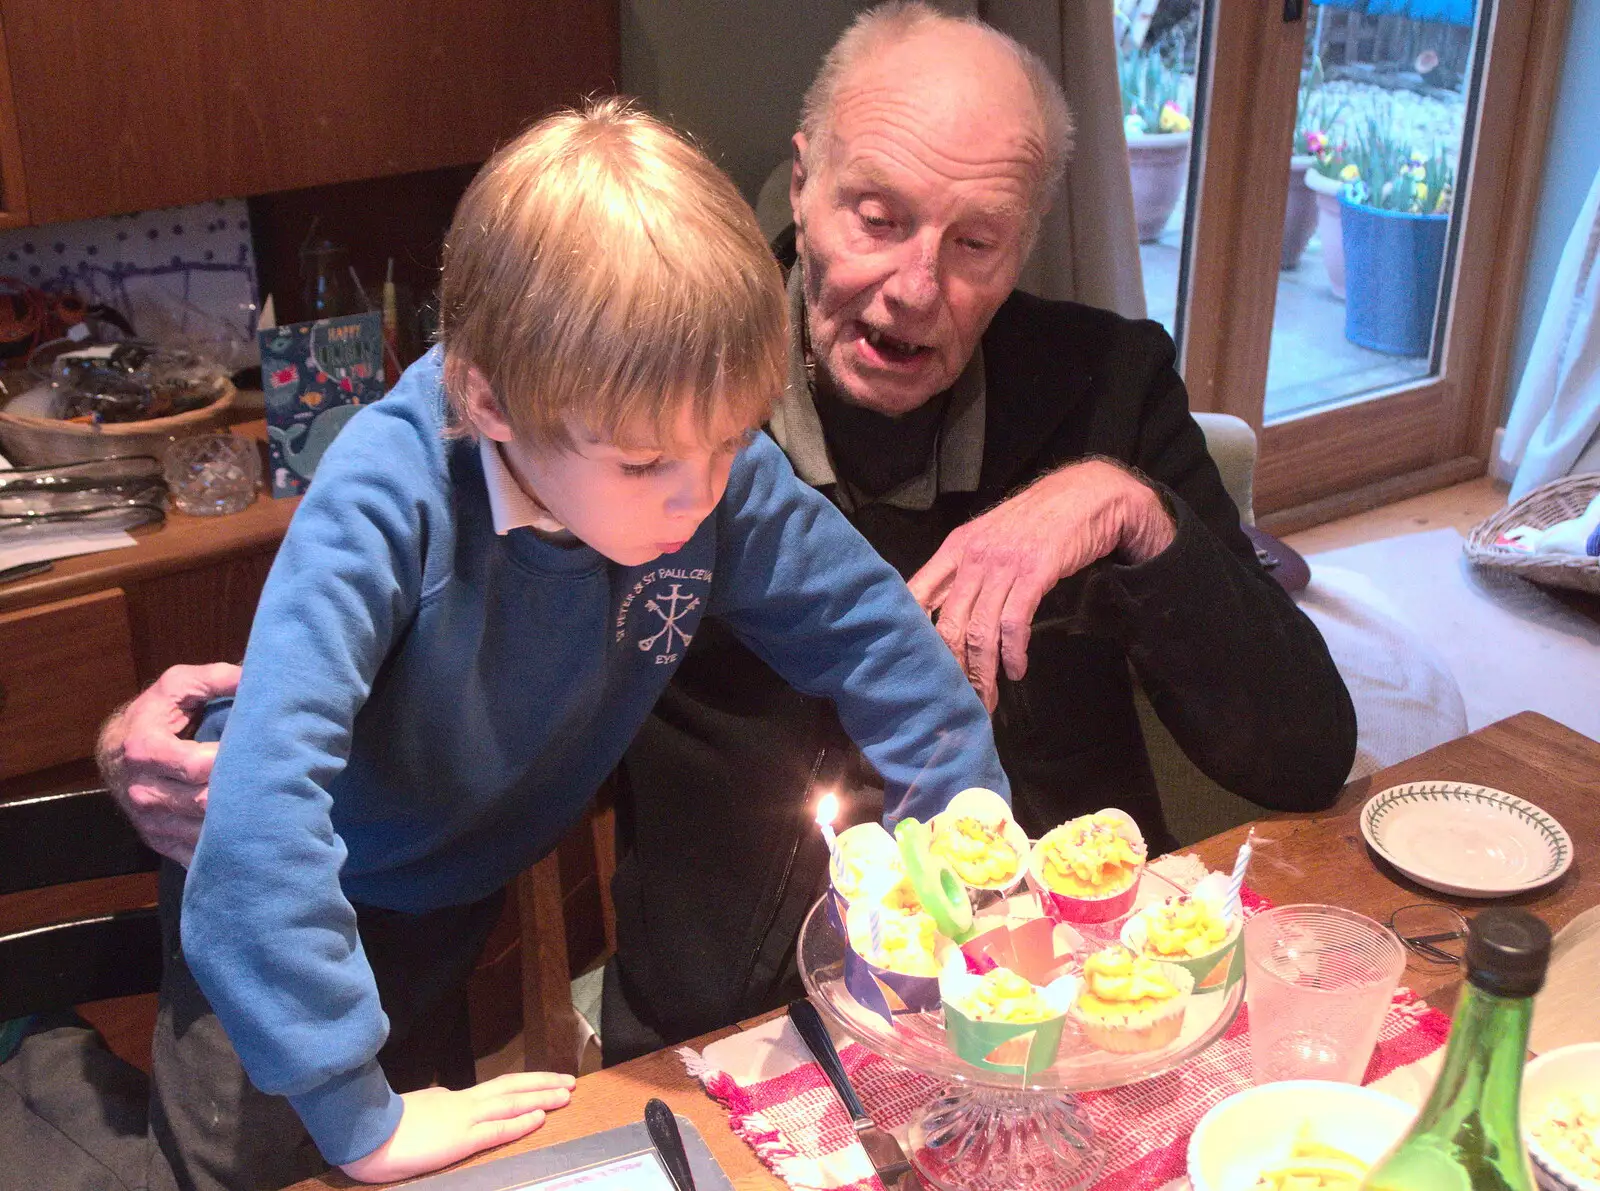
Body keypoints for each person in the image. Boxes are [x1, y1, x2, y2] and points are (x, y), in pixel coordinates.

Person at [101, 2, 1354, 1073]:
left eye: (976, 243)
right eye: (876, 214)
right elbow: (435, 649)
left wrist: (1136, 511)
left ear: (1026, 242)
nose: (918, 286)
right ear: (799, 179)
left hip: (1035, 977)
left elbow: (1304, 751)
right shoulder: (628, 361)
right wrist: (211, 736)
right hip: (729, 1018)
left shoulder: (1106, 388)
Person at [88, 97, 1008, 1191]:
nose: (697, 498)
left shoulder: (700, 467)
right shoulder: (384, 495)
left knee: (422, 1141)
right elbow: (260, 817)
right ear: (490, 401)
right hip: (275, 904)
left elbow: (881, 645)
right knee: (250, 1167)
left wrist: (971, 875)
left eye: (726, 444)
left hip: (453, 888)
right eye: (639, 466)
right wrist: (355, 1112)